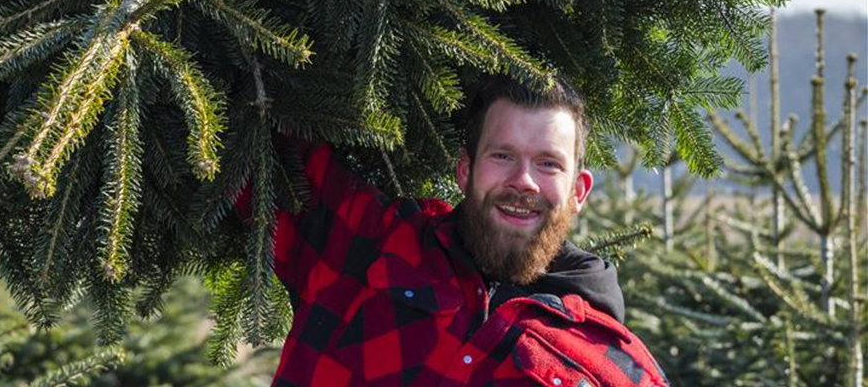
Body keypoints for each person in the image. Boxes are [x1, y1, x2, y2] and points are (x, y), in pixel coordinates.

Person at [262, 75, 669, 386]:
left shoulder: (617, 367)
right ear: (465, 170)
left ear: (578, 191)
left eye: (548, 163)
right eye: (503, 155)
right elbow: (245, 129)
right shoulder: (373, 242)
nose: (523, 180)